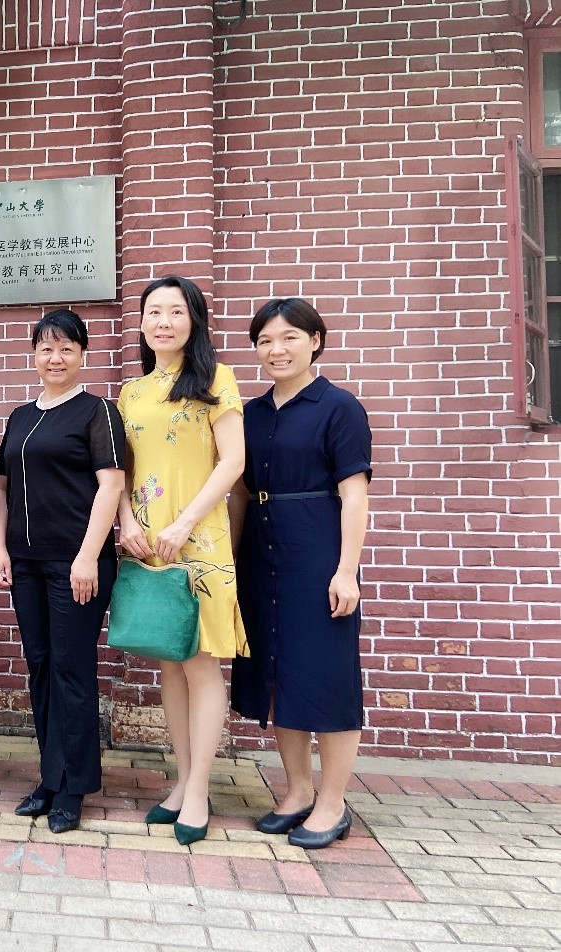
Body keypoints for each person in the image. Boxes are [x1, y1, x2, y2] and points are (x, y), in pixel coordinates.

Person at [228, 298, 372, 850]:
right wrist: (230, 563)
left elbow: (354, 496)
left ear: (315, 340)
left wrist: (346, 571)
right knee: (277, 673)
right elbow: (240, 495)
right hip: (260, 555)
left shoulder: (339, 407)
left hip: (317, 554)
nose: (276, 350)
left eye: (289, 337)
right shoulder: (253, 414)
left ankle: (333, 803)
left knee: (326, 676)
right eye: (265, 340)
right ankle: (297, 792)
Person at [116, 276, 247, 846]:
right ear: (142, 323)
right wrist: (127, 521)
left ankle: (198, 790)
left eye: (175, 311)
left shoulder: (216, 380)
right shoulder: (131, 392)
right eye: (154, 312)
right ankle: (182, 780)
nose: (163, 321)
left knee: (200, 662)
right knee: (169, 661)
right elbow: (119, 471)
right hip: (148, 540)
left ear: (194, 321)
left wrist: (186, 522)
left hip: (199, 538)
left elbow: (233, 461)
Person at [0, 308, 126, 834]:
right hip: (26, 563)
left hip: (77, 564)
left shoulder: (98, 412)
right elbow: (2, 487)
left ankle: (74, 787)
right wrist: (0, 549)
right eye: (46, 348)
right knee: (42, 667)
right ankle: (50, 777)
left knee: (72, 670)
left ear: (82, 355)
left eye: (67, 348)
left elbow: (111, 485)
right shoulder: (21, 416)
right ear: (34, 355)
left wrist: (89, 555)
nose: (56, 357)